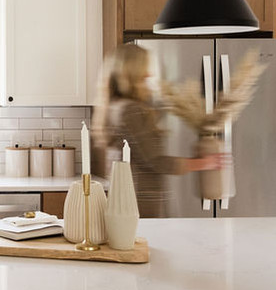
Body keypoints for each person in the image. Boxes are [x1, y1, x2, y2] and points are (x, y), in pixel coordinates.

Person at [91, 43, 225, 218]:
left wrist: (177, 101)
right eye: (144, 69)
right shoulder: (131, 109)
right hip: (142, 203)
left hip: (127, 200)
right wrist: (204, 163)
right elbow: (156, 161)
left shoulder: (115, 106)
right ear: (131, 73)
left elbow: (147, 126)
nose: (150, 74)